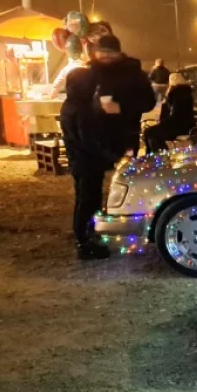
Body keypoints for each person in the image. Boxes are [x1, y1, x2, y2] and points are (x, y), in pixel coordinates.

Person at [59, 34, 156, 259]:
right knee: (90, 191)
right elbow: (82, 123)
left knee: (125, 183)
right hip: (94, 142)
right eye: (101, 53)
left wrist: (122, 108)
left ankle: (123, 226)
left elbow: (148, 101)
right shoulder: (89, 75)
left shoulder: (133, 73)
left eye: (109, 53)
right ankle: (87, 236)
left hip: (121, 136)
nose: (104, 57)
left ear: (119, 53)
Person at [143, 73, 196, 154]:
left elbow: (176, 115)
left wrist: (162, 123)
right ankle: (158, 154)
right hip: (178, 125)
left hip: (180, 126)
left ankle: (159, 155)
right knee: (149, 133)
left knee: (150, 133)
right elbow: (167, 113)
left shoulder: (179, 95)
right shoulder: (178, 94)